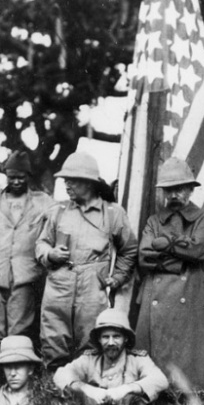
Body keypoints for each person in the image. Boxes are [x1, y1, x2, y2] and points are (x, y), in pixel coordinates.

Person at [35, 151, 137, 369]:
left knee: (90, 341)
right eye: (65, 181)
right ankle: (55, 393)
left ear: (89, 183)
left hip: (92, 286)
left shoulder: (112, 214)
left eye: (72, 180)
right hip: (58, 284)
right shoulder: (59, 211)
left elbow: (129, 250)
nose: (67, 185)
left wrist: (117, 277)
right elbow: (41, 243)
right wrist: (50, 254)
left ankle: (85, 395)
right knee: (53, 339)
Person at [135, 156, 204, 393]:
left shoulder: (203, 219)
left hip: (189, 294)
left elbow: (198, 251)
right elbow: (144, 256)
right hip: (155, 296)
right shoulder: (153, 221)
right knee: (152, 363)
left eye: (179, 189)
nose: (173, 195)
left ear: (190, 190)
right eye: (168, 190)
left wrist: (167, 243)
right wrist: (180, 253)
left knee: (189, 364)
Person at [0, 151, 54, 365]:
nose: (16, 181)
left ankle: (17, 378)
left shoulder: (42, 202)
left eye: (21, 177)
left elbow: (57, 223)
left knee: (19, 329)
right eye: (12, 177)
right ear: (5, 176)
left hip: (25, 275)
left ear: (28, 176)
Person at [52, 308, 169, 405]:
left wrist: (126, 389)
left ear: (126, 338)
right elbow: (60, 375)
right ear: (99, 339)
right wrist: (86, 388)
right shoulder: (89, 359)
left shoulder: (138, 360)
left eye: (116, 336)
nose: (111, 342)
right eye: (105, 337)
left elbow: (160, 380)